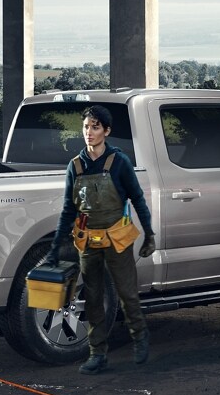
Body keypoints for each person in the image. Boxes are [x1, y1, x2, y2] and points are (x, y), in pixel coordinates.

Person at [48, 105, 156, 374]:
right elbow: (68, 209)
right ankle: (98, 353)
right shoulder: (75, 166)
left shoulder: (119, 163)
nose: (89, 132)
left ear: (106, 131)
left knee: (127, 294)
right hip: (88, 242)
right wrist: (55, 246)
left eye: (95, 127)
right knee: (93, 298)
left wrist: (149, 234)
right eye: (86, 127)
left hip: (118, 239)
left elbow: (138, 199)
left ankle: (140, 336)